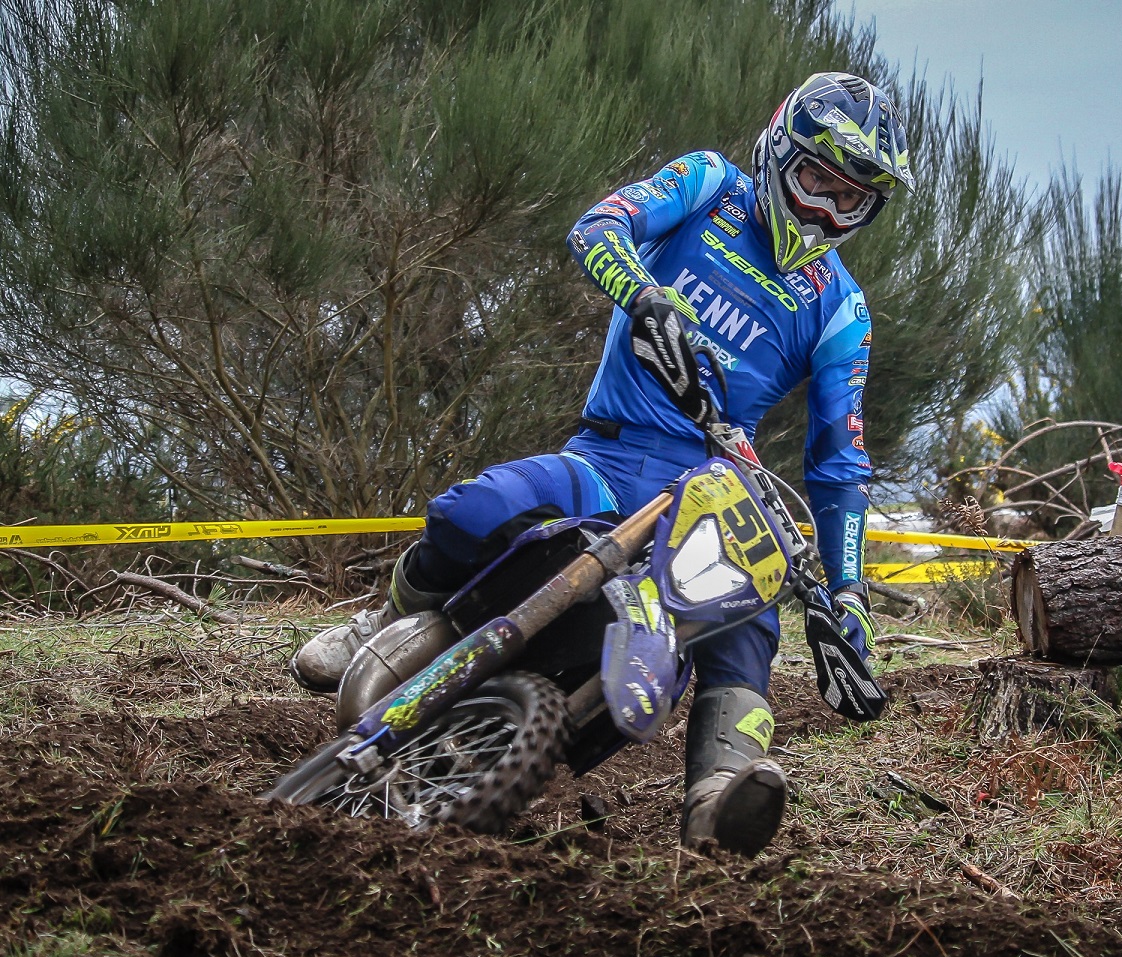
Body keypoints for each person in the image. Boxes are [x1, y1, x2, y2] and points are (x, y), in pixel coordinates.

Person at [291, 71, 913, 857]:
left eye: (849, 198)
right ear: (778, 153)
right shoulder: (710, 184)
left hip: (715, 489)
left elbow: (839, 463)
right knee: (469, 511)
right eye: (816, 179)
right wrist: (645, 295)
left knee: (749, 628)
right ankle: (378, 628)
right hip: (612, 453)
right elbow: (598, 226)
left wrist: (850, 593)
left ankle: (720, 796)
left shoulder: (842, 308)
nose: (825, 208)